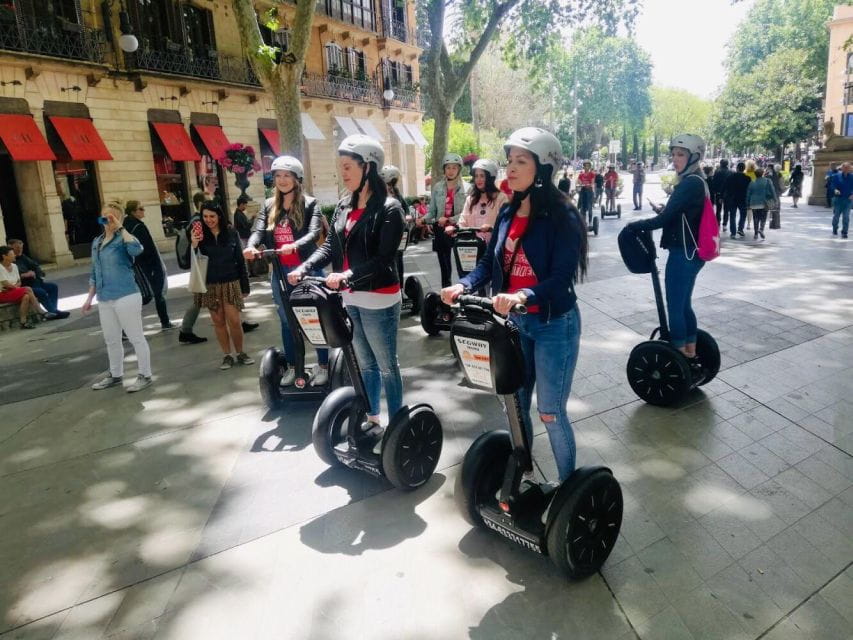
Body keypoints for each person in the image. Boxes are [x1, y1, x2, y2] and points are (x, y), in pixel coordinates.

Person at [440, 127, 588, 483]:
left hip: (554, 324)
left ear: (545, 168)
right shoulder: (507, 213)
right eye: (509, 161)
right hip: (515, 325)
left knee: (550, 412)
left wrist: (524, 295)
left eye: (521, 161)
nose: (511, 168)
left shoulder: (563, 216)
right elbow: (489, 264)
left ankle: (568, 489)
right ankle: (520, 476)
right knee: (516, 406)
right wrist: (462, 284)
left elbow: (561, 277)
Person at [288, 134, 405, 434]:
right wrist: (305, 266)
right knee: (365, 364)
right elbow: (331, 247)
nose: (344, 173)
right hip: (351, 299)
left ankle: (399, 424)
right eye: (341, 167)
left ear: (369, 167)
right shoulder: (343, 205)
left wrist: (347, 275)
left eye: (348, 166)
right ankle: (373, 417)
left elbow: (384, 258)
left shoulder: (390, 208)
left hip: (379, 298)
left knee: (386, 365)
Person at [626, 134, 708, 369]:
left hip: (683, 253)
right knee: (683, 305)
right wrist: (665, 209)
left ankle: (680, 356)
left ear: (694, 157)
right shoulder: (697, 180)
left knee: (675, 306)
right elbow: (678, 212)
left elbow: (663, 219)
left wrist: (634, 225)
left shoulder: (689, 182)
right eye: (673, 154)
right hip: (692, 252)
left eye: (681, 154)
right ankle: (690, 352)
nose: (675, 159)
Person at [245, 156, 328, 385]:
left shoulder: (310, 203)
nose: (282, 180)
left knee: (313, 318)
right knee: (286, 321)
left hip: (306, 268)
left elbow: (313, 233)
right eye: (278, 175)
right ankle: (293, 366)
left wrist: (295, 245)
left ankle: (323, 366)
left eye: (287, 175)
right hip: (280, 272)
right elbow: (259, 229)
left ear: (296, 178)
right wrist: (251, 246)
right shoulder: (269, 205)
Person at [82, 203, 153, 392]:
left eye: (111, 217)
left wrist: (120, 228)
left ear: (119, 219)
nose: (107, 221)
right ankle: (115, 374)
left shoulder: (124, 239)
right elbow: (95, 271)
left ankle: (145, 374)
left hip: (126, 294)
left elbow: (137, 250)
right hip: (105, 297)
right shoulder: (97, 242)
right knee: (111, 339)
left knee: (135, 336)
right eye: (104, 217)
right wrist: (89, 297)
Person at [191, 202, 254, 370]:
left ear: (219, 215)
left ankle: (240, 352)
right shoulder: (199, 235)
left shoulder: (231, 232)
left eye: (212, 216)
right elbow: (184, 261)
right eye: (205, 216)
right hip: (210, 283)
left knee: (234, 320)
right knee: (218, 322)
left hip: (231, 281)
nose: (209, 220)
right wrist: (194, 245)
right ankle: (227, 355)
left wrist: (245, 286)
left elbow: (240, 261)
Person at [123, 200, 172, 330]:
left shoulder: (127, 225)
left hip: (137, 266)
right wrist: (154, 265)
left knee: (143, 296)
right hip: (148, 266)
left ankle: (125, 328)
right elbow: (147, 248)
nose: (143, 210)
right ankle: (165, 322)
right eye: (141, 209)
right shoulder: (137, 227)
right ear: (133, 212)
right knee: (156, 293)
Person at [425, 152, 469, 287]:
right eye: (448, 167)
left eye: (454, 167)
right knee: (444, 265)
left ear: (459, 169)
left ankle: (466, 291)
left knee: (464, 264)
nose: (450, 171)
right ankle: (446, 292)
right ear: (444, 169)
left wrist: (450, 220)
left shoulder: (467, 188)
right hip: (440, 230)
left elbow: (467, 213)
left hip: (458, 229)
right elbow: (432, 211)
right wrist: (423, 219)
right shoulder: (438, 187)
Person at [6, 239, 69, 319]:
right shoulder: (10, 262)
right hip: (26, 285)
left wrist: (38, 274)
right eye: (17, 248)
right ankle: (54, 312)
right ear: (10, 248)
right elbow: (12, 277)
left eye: (21, 248)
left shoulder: (23, 257)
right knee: (41, 292)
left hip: (35, 282)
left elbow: (35, 266)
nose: (19, 250)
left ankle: (53, 311)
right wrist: (25, 275)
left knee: (53, 287)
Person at [452, 158, 508, 246]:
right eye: (476, 176)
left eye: (482, 176)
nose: (478, 179)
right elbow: (463, 220)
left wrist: (491, 227)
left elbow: (505, 223)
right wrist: (454, 228)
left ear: (490, 178)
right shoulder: (470, 199)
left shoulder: (501, 198)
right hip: (472, 246)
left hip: (494, 246)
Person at [0, 245, 51, 328]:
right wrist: (17, 288)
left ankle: (23, 322)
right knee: (27, 289)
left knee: (26, 297)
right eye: (12, 254)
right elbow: (5, 284)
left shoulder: (14, 266)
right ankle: (41, 312)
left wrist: (16, 287)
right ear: (4, 256)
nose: (14, 255)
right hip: (2, 293)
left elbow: (19, 281)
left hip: (13, 290)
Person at [723, 162, 751, 239]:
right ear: (744, 169)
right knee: (743, 214)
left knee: (732, 215)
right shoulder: (747, 178)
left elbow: (726, 187)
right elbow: (749, 189)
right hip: (743, 198)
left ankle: (733, 232)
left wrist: (723, 197)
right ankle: (740, 229)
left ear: (737, 168)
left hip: (732, 198)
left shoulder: (730, 177)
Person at [746, 167, 775, 240]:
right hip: (764, 202)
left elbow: (748, 194)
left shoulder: (752, 182)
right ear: (762, 173)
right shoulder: (767, 181)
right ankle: (761, 229)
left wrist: (747, 203)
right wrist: (775, 199)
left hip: (754, 202)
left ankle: (756, 233)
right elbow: (772, 191)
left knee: (755, 217)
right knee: (763, 217)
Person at [830, 161, 853, 239]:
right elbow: (832, 185)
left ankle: (844, 232)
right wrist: (835, 190)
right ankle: (835, 228)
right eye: (845, 167)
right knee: (836, 216)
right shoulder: (836, 176)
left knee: (846, 217)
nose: (846, 169)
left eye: (848, 168)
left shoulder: (852, 177)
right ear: (842, 168)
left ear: (850, 169)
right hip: (838, 199)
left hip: (848, 200)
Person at [711, 159, 732, 225]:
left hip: (718, 192)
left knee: (718, 209)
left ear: (720, 164)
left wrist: (714, 191)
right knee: (726, 209)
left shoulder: (717, 171)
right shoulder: (730, 172)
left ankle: (718, 222)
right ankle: (725, 224)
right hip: (727, 193)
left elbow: (714, 182)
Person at [576, 160, 596, 225]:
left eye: (588, 166)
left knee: (590, 207)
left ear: (590, 167)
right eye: (585, 166)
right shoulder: (581, 174)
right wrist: (580, 184)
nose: (586, 167)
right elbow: (579, 182)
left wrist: (590, 184)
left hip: (589, 192)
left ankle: (590, 222)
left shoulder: (592, 174)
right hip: (583, 191)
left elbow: (592, 182)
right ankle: (583, 222)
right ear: (583, 167)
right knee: (582, 208)